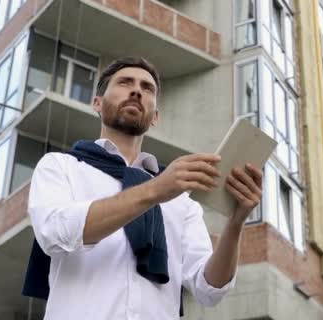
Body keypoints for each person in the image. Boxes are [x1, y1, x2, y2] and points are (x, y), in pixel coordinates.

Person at [26, 57, 263, 319]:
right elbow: (54, 232)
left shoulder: (181, 200)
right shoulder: (61, 166)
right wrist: (155, 190)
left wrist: (236, 223)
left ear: (155, 118)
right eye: (125, 83)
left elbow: (209, 289)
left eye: (147, 88)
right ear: (97, 103)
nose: (137, 90)